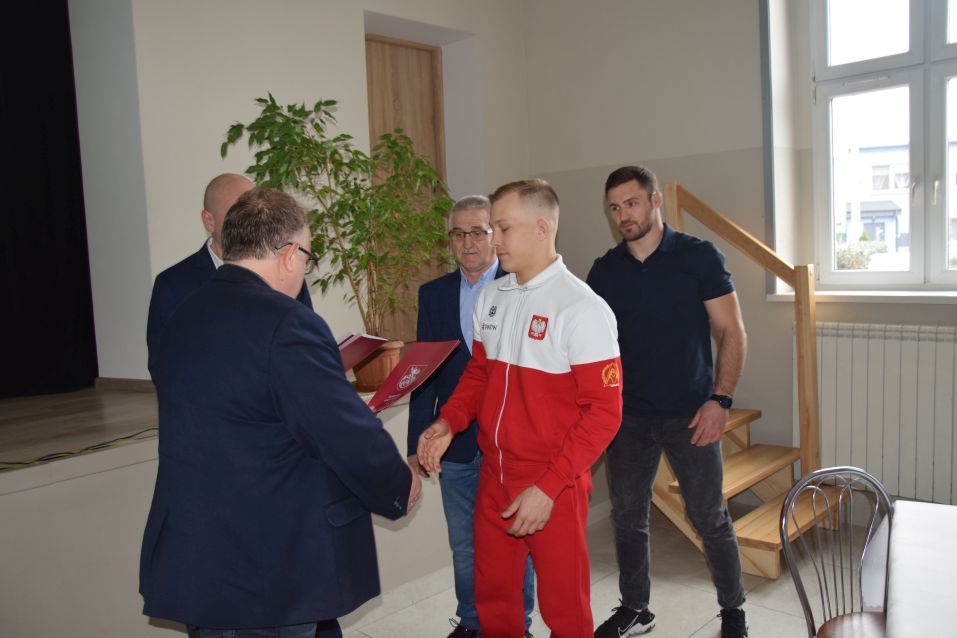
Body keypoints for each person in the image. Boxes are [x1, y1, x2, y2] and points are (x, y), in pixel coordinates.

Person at [140, 187, 421, 638]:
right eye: (307, 256)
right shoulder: (288, 323)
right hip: (269, 566)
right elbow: (341, 434)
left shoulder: (185, 313)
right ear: (290, 254)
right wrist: (398, 485)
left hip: (198, 559)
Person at [418, 179, 622, 638]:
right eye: (493, 228)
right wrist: (448, 422)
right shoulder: (493, 298)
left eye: (503, 228)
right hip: (494, 476)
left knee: (565, 610)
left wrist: (547, 488)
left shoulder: (583, 309)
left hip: (554, 482)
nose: (493, 240)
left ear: (542, 228)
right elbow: (478, 376)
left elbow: (604, 414)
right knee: (494, 602)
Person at [586, 166, 748, 638]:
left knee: (709, 517)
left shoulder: (698, 256)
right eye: (614, 208)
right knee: (628, 517)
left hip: (692, 413)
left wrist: (721, 400)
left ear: (655, 201)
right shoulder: (605, 271)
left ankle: (733, 611)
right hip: (628, 416)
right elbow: (591, 345)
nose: (623, 215)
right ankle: (636, 608)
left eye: (632, 203)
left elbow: (732, 331)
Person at [407, 195, 536, 638]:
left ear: (494, 234)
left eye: (478, 232)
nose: (468, 243)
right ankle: (470, 620)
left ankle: (517, 624)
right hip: (455, 444)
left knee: (515, 540)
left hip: (509, 442)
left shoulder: (521, 285)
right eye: (459, 234)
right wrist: (416, 442)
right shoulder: (434, 295)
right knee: (464, 544)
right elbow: (424, 374)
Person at [145, 173, 312, 376]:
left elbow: (306, 345)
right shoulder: (172, 285)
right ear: (209, 221)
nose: (250, 225)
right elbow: (163, 366)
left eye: (256, 215)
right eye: (237, 216)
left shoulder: (285, 273)